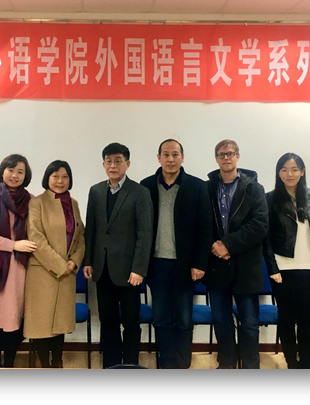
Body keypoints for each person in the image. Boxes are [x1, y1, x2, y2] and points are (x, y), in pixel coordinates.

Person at [140, 139, 212, 369]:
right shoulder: (146, 186)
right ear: (158, 157)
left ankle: (182, 364)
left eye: (175, 154)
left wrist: (200, 263)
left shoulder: (197, 186)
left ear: (182, 157)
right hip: (156, 264)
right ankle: (165, 363)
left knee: (183, 319)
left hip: (185, 265)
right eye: (166, 154)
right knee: (161, 318)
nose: (170, 159)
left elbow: (205, 228)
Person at [83, 142, 153, 369]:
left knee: (131, 322)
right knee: (108, 320)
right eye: (109, 161)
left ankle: (130, 367)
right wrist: (88, 261)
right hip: (102, 268)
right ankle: (111, 367)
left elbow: (145, 234)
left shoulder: (140, 192)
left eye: (118, 161)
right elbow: (91, 230)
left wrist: (139, 269)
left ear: (127, 164)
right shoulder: (95, 191)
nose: (113, 165)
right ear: (103, 164)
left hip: (129, 271)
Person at [202, 139, 268, 369]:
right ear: (216, 159)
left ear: (238, 156)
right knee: (221, 321)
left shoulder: (254, 189)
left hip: (245, 265)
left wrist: (228, 245)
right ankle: (226, 365)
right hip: (216, 265)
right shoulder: (207, 188)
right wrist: (216, 247)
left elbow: (260, 225)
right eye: (221, 154)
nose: (226, 158)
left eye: (230, 153)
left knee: (249, 323)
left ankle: (250, 367)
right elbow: (202, 224)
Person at [0, 154, 36, 367]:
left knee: (14, 317)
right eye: (11, 170)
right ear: (2, 172)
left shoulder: (31, 200)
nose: (15, 175)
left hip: (20, 267)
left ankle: (8, 364)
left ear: (26, 176)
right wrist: (14, 245)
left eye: (20, 171)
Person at [24, 160, 85, 368]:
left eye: (65, 176)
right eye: (55, 176)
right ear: (47, 178)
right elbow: (35, 237)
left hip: (67, 273)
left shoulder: (73, 204)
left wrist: (74, 261)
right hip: (43, 272)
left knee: (60, 324)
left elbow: (80, 236)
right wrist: (60, 265)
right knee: (42, 324)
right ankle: (45, 367)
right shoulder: (37, 203)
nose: (60, 181)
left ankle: (57, 364)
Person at [263, 153, 310, 369]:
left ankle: (306, 364)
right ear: (278, 173)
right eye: (285, 169)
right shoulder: (270, 199)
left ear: (302, 172)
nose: (290, 174)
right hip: (283, 267)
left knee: (306, 319)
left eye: (295, 169)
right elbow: (266, 238)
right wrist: (272, 268)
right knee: (286, 318)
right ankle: (291, 363)